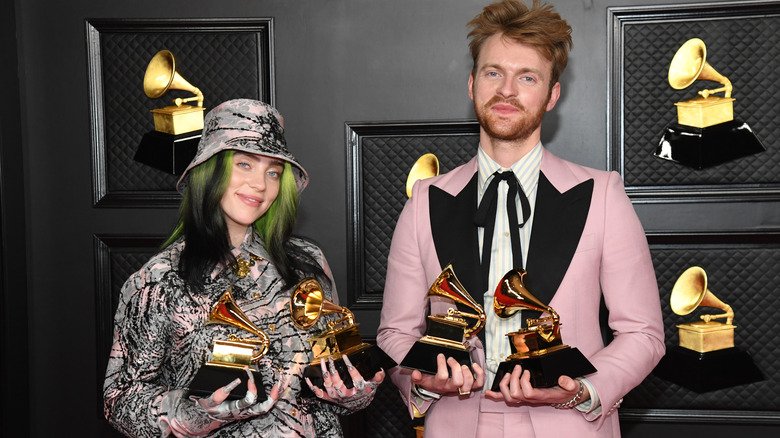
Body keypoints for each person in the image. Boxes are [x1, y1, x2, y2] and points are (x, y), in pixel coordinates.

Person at [376, 1, 665, 437]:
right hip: (456, 424)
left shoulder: (602, 194)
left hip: (568, 424)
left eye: (526, 77)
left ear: (551, 95)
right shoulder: (424, 200)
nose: (507, 90)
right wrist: (423, 380)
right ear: (472, 84)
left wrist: (580, 389)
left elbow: (643, 333)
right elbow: (395, 332)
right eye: (494, 73)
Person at [104, 98, 384, 438]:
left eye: (273, 172)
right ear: (211, 169)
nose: (260, 184)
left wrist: (354, 392)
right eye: (245, 165)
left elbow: (338, 364)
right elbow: (119, 400)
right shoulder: (159, 279)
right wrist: (192, 414)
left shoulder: (308, 261)